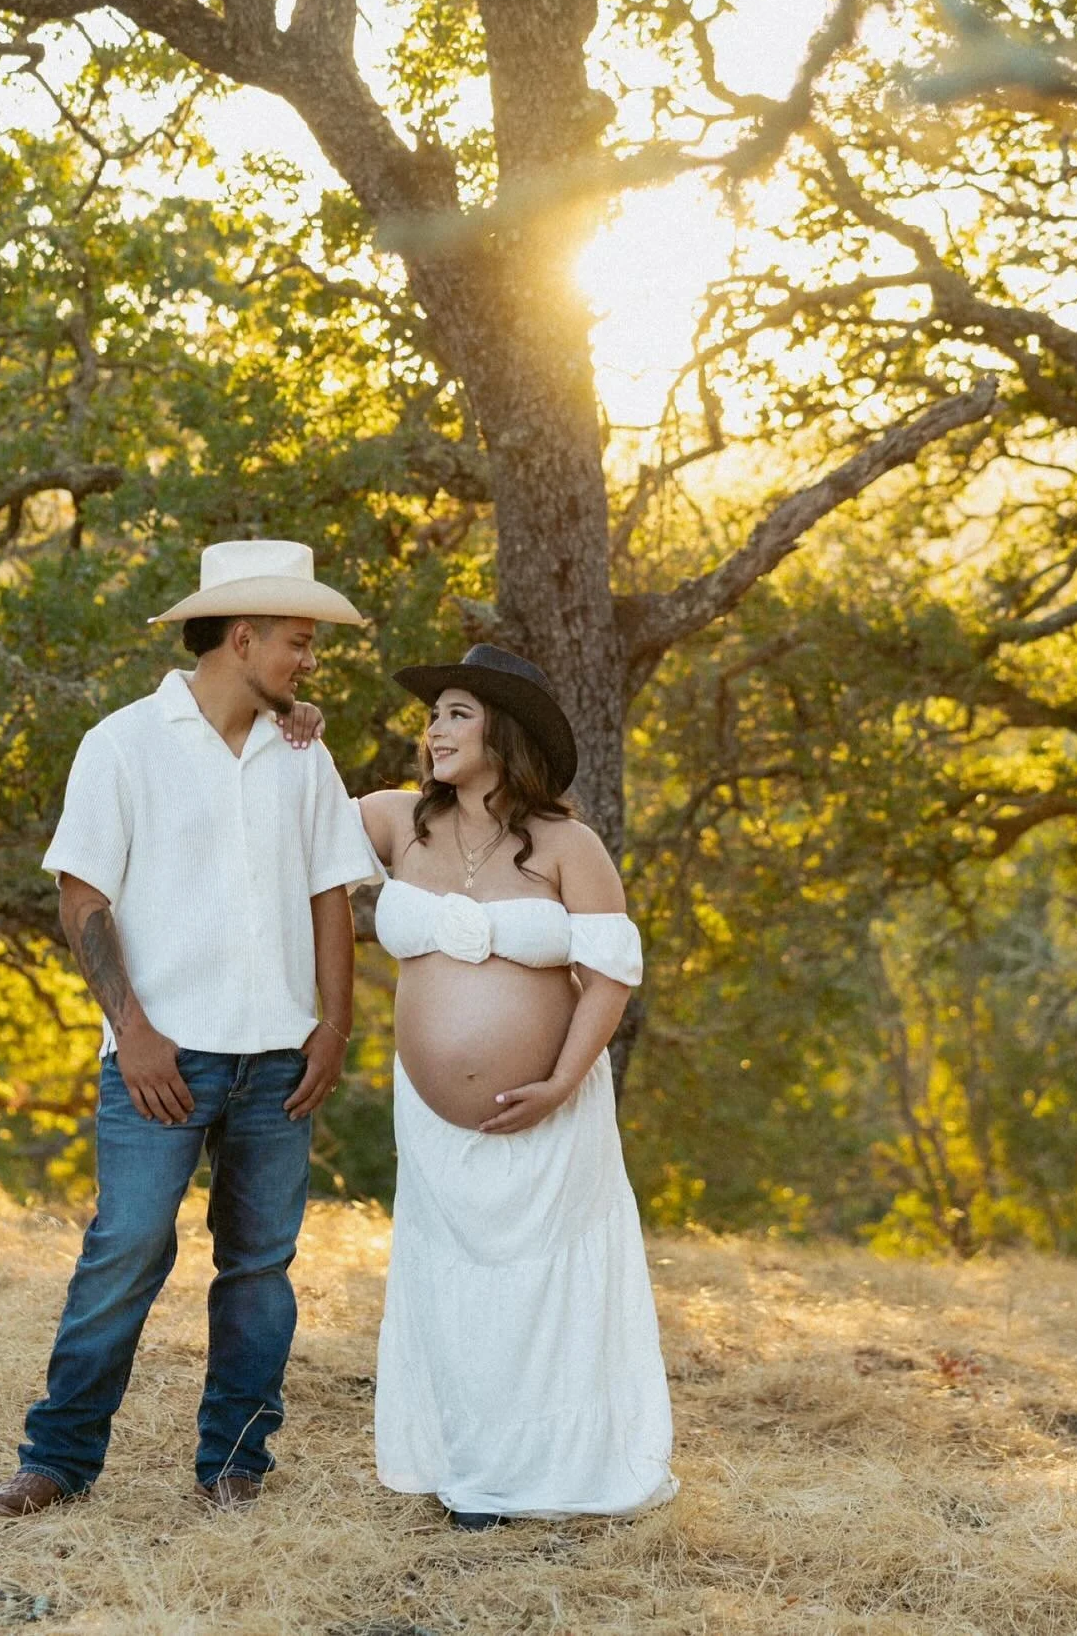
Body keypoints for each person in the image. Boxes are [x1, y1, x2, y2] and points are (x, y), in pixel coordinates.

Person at [0, 539, 377, 1517]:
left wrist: (335, 1025)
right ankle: (58, 1460)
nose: (307, 659)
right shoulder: (121, 742)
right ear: (242, 637)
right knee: (127, 1247)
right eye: (296, 640)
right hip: (161, 1056)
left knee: (258, 1267)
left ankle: (235, 1465)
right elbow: (83, 902)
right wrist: (136, 1029)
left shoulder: (304, 754)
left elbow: (332, 892)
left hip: (280, 1059)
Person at [358, 643, 677, 1529]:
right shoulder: (396, 822)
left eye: (458, 712)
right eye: (434, 714)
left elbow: (610, 973)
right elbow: (290, 816)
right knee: (455, 1289)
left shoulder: (569, 845)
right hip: (434, 1127)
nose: (434, 727)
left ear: (505, 732)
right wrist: (298, 731)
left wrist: (562, 1083)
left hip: (550, 1120)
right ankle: (472, 1473)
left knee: (543, 1292)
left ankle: (547, 1470)